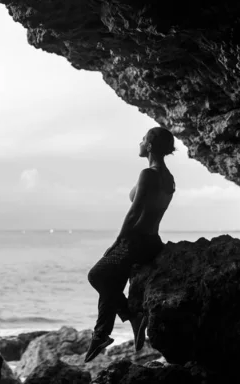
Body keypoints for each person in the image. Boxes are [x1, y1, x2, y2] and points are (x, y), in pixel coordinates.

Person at [84, 127, 176, 363]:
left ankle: (131, 316)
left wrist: (118, 241)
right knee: (112, 281)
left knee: (97, 275)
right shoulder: (168, 177)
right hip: (152, 242)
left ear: (150, 145)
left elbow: (135, 212)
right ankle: (101, 334)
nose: (140, 142)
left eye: (143, 139)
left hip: (136, 241)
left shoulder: (149, 173)